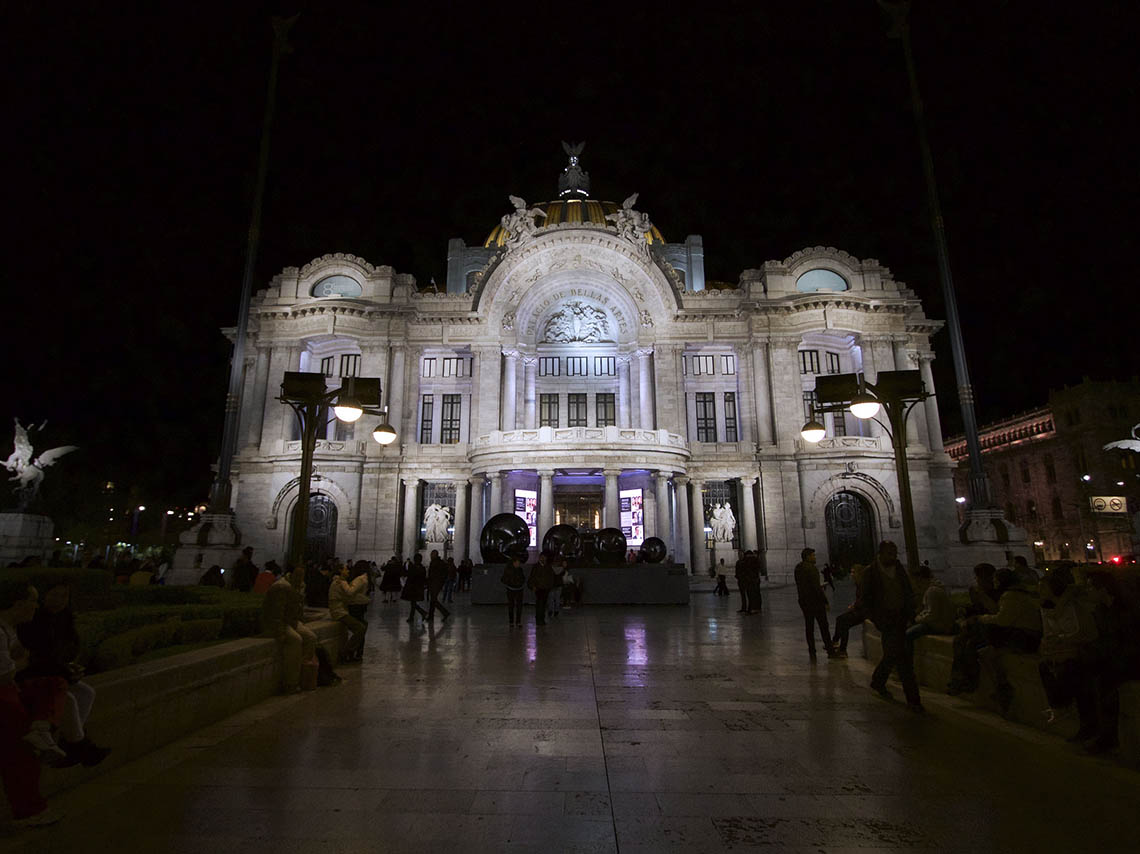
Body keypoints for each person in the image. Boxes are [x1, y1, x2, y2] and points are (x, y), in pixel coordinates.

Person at [16, 581, 110, 767]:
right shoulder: (34, 621)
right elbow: (35, 658)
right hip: (32, 676)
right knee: (68, 698)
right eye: (54, 595)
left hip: (52, 672)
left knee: (86, 693)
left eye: (63, 596)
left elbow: (70, 646)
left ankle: (70, 743)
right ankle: (78, 745)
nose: (59, 600)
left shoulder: (65, 618)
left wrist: (68, 668)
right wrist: (65, 671)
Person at [0, 582, 65, 827]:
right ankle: (29, 810)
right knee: (21, 755)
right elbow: (4, 674)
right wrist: (20, 662)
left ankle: (41, 728)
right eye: (33, 601)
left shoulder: (10, 629)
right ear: (18, 604)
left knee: (55, 684)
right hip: (3, 696)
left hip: (9, 692)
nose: (36, 606)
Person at [948, 568, 1041, 714]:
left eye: (996, 580)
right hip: (1015, 634)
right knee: (982, 650)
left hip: (1022, 637)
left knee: (979, 648)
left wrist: (980, 618)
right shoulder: (1012, 594)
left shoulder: (1011, 596)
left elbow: (1001, 619)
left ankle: (978, 683)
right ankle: (997, 687)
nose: (994, 582)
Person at [1036, 566, 1100, 741]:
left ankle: (1065, 709)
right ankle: (1059, 706)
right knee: (1046, 667)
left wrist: (1060, 639)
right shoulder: (1045, 608)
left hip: (1083, 650)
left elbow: (1082, 632)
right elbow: (1048, 632)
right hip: (1064, 650)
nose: (1039, 591)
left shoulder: (1072, 605)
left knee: (1073, 675)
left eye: (1043, 587)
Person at [862, 540, 922, 711]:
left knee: (895, 655)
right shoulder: (871, 572)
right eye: (889, 554)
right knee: (901, 657)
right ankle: (913, 700)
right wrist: (875, 618)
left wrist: (911, 612)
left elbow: (907, 590)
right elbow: (864, 598)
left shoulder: (899, 569)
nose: (893, 557)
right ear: (880, 554)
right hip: (886, 620)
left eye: (895, 554)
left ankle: (880, 682)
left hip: (901, 618)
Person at [261, 564, 317, 693]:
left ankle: (303, 673)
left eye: (302, 575)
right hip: (279, 623)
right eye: (298, 575)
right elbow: (276, 612)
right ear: (291, 574)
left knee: (311, 637)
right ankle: (290, 682)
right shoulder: (282, 586)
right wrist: (280, 632)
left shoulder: (297, 586)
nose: (300, 578)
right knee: (295, 640)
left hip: (291, 621)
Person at [794, 548, 837, 660]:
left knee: (809, 627)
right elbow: (816, 588)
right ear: (807, 557)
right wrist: (825, 601)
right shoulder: (811, 569)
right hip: (815, 602)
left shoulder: (798, 568)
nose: (815, 557)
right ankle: (830, 651)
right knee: (823, 626)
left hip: (804, 601)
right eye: (813, 555)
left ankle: (812, 651)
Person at [905, 564, 956, 652]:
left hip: (939, 626)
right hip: (939, 623)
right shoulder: (932, 589)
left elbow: (931, 614)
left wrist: (916, 619)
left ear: (920, 578)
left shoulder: (932, 591)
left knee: (908, 635)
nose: (914, 583)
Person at [328, 563, 369, 663]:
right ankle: (346, 652)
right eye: (346, 569)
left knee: (362, 626)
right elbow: (349, 593)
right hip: (339, 611)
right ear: (340, 571)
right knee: (360, 628)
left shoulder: (339, 581)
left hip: (341, 610)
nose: (348, 571)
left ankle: (351, 652)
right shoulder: (340, 582)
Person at [832, 563, 867, 658]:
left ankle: (842, 649)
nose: (851, 574)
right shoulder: (859, 583)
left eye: (853, 572)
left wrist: (854, 607)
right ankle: (835, 642)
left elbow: (864, 600)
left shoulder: (863, 584)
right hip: (860, 609)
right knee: (840, 619)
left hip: (864, 612)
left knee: (844, 623)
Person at [528, 552, 555, 626]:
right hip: (538, 588)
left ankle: (542, 619)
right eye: (542, 557)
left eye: (544, 557)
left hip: (546, 588)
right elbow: (532, 577)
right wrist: (533, 586)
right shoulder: (536, 567)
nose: (543, 559)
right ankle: (538, 619)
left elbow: (551, 577)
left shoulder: (548, 567)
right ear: (540, 558)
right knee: (539, 604)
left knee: (543, 604)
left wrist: (550, 586)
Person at [402, 555, 429, 624]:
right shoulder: (422, 568)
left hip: (412, 588)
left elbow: (409, 576)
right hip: (419, 588)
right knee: (413, 603)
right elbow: (423, 578)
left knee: (413, 603)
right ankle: (412, 617)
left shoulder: (412, 567)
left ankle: (422, 613)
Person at [501, 555, 526, 627]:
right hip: (511, 589)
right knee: (511, 606)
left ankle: (518, 621)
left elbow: (523, 578)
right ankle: (511, 621)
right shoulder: (508, 570)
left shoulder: (520, 570)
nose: (518, 564)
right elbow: (503, 579)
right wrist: (510, 583)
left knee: (519, 606)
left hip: (519, 589)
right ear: (513, 563)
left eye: (519, 563)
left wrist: (520, 582)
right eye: (517, 563)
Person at [426, 550, 450, 622]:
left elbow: (432, 574)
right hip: (436, 583)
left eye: (432, 554)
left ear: (435, 555)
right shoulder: (440, 563)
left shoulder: (435, 563)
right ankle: (431, 616)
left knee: (433, 600)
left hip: (435, 583)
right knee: (433, 600)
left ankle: (445, 612)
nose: (430, 556)